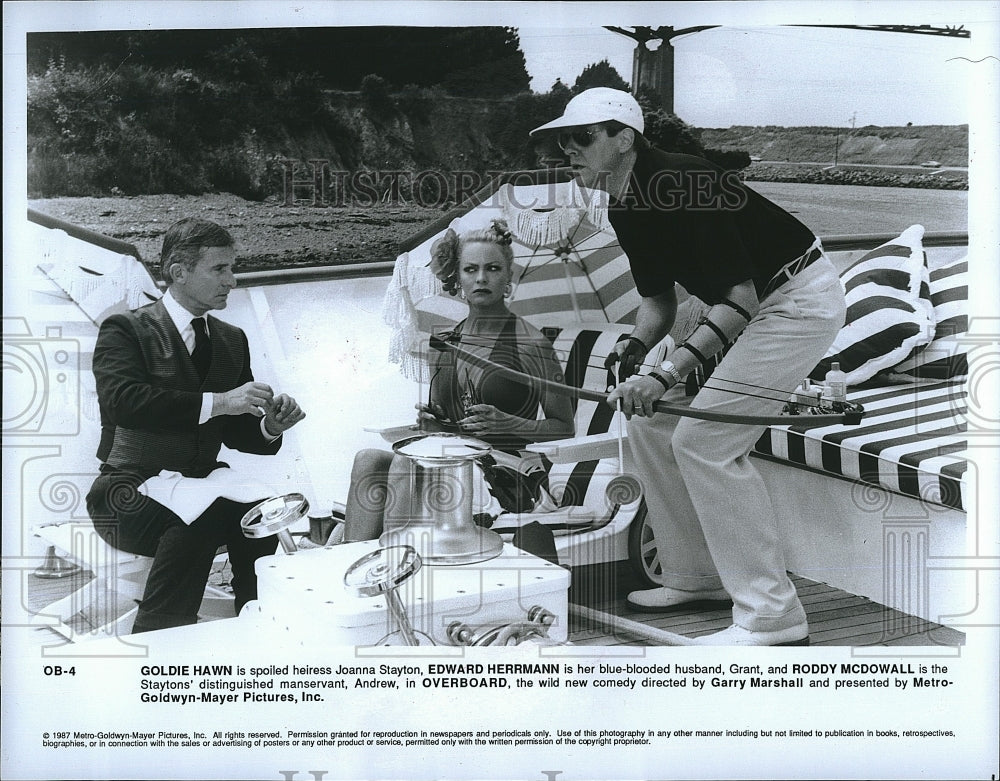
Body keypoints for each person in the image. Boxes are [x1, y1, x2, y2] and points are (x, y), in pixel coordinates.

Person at [530, 88, 847, 646]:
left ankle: (772, 614)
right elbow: (658, 305)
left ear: (624, 139)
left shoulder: (683, 182)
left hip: (798, 300)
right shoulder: (623, 203)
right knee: (652, 423)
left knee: (705, 441)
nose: (567, 149)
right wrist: (631, 355)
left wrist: (666, 373)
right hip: (759, 304)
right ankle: (695, 576)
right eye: (563, 139)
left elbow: (739, 299)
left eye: (581, 136)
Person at [85, 217, 306, 634]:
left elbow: (237, 433)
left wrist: (270, 427)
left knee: (259, 512)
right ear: (178, 272)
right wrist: (220, 400)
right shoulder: (126, 330)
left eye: (232, 268)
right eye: (219, 269)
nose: (232, 280)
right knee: (196, 520)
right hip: (124, 491)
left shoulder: (231, 340)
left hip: (202, 484)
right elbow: (124, 404)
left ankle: (258, 622)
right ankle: (161, 637)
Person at [343, 219, 574, 542]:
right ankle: (358, 562)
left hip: (507, 475)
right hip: (456, 459)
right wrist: (434, 423)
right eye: (470, 270)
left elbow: (564, 426)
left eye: (492, 268)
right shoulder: (446, 342)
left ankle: (392, 568)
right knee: (368, 460)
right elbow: (447, 427)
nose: (481, 278)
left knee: (406, 466)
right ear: (458, 277)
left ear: (508, 276)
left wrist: (508, 423)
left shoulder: (531, 344)